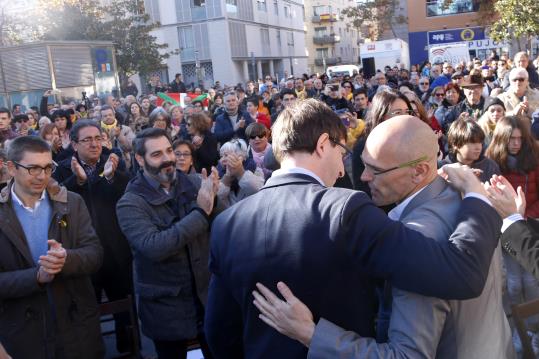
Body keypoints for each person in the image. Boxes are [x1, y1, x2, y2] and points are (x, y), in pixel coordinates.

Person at [204, 99, 502, 358]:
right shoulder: (346, 210)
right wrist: (477, 196)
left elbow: (218, 333)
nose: (344, 169)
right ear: (323, 144)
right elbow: (461, 273)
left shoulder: (225, 224)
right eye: (341, 151)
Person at [116, 128, 220, 359]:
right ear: (140, 159)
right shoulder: (130, 203)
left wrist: (220, 194)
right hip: (166, 309)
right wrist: (201, 213)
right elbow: (154, 246)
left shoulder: (194, 183)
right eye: (157, 154)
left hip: (207, 299)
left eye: (169, 150)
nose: (168, 159)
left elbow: (222, 225)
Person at [0, 136, 104, 358]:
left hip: (76, 327)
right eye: (33, 168)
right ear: (11, 168)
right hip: (23, 334)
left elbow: (94, 254)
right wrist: (36, 277)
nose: (42, 176)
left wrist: (66, 259)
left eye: (48, 167)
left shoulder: (71, 203)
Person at [52, 121, 134, 353]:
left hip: (116, 249)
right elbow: (58, 203)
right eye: (87, 139)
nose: (94, 144)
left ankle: (128, 347)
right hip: (82, 252)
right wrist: (78, 182)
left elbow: (127, 193)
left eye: (98, 138)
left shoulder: (113, 161)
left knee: (124, 308)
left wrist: (109, 177)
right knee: (86, 311)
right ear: (74, 144)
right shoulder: (63, 168)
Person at [216, 138, 264, 208]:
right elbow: (217, 198)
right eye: (221, 156)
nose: (223, 159)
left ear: (241, 157)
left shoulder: (255, 169)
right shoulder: (218, 173)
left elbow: (258, 190)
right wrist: (227, 178)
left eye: (226, 156)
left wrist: (240, 173)